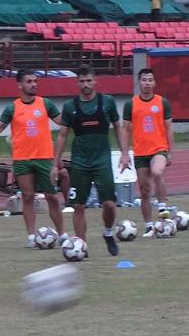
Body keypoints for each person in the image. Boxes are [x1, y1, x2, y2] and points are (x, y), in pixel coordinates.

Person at [0, 70, 67, 248]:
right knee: (28, 196)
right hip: (22, 159)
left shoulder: (45, 104)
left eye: (35, 81)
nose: (34, 84)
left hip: (44, 157)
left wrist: (76, 118)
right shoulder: (12, 108)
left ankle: (62, 234)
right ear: (20, 85)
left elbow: (63, 122)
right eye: (29, 81)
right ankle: (31, 236)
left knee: (52, 197)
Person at [52, 65, 131, 256]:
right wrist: (56, 163)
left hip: (101, 160)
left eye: (89, 80)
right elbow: (62, 136)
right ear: (77, 82)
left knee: (110, 204)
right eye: (82, 81)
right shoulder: (70, 107)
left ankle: (108, 232)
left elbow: (118, 127)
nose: (86, 84)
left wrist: (125, 153)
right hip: (79, 161)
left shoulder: (107, 102)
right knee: (78, 205)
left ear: (95, 81)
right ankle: (81, 246)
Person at [123, 69, 174, 237]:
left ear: (155, 83)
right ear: (139, 82)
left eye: (150, 80)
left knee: (157, 170)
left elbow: (168, 128)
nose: (147, 83)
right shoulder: (131, 104)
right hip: (140, 152)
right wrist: (124, 153)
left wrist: (171, 152)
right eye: (144, 80)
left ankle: (162, 206)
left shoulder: (162, 102)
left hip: (159, 148)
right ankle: (149, 226)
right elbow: (125, 129)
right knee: (144, 191)